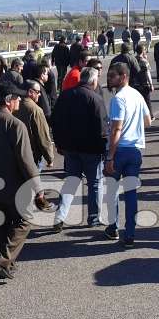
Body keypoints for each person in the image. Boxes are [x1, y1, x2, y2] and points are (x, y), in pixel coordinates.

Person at [0, 82, 39, 280]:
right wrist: (37, 187)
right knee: (25, 220)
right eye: (16, 97)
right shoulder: (16, 125)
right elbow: (26, 160)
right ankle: (4, 259)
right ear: (8, 101)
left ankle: (5, 263)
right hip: (14, 185)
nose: (19, 100)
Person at [51, 67, 108, 231]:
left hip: (70, 148)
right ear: (93, 80)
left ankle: (59, 216)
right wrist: (104, 151)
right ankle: (94, 218)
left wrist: (59, 144)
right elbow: (102, 128)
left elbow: (55, 121)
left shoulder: (65, 96)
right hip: (91, 150)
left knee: (71, 182)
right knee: (95, 183)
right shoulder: (95, 99)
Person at [103, 62, 151, 246]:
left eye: (113, 75)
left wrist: (110, 156)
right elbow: (147, 121)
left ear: (123, 77)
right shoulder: (137, 95)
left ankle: (113, 227)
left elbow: (116, 129)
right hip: (135, 150)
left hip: (120, 150)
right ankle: (130, 233)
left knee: (112, 192)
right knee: (131, 193)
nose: (109, 78)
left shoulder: (118, 98)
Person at [15, 80, 54, 172]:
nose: (39, 94)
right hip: (32, 155)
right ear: (30, 92)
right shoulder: (35, 110)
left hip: (16, 153)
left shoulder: (14, 105)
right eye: (38, 92)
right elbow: (42, 135)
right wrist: (49, 158)